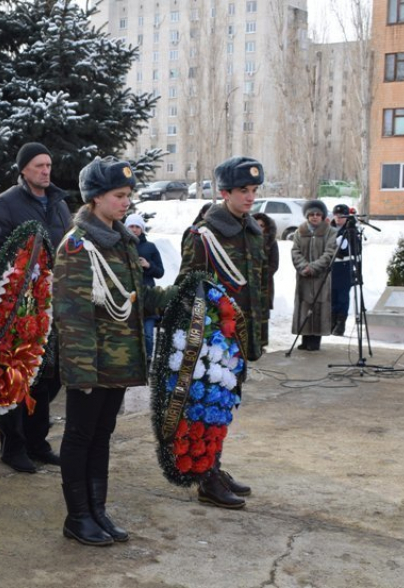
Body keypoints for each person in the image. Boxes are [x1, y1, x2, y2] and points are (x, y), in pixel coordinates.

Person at [54, 156, 173, 546]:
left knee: (102, 436)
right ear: (95, 199)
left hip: (119, 361)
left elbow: (135, 298)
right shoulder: (77, 246)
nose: (126, 203)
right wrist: (81, 374)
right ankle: (78, 517)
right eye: (119, 196)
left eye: (128, 196)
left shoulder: (121, 241)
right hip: (93, 364)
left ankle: (97, 509)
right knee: (80, 436)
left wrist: (179, 294)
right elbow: (73, 317)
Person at [177, 156, 268, 509]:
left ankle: (213, 465)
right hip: (216, 340)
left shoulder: (251, 230)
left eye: (254, 190)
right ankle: (206, 477)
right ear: (224, 192)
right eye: (243, 191)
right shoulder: (204, 235)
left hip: (240, 337)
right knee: (206, 406)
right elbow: (187, 288)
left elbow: (258, 288)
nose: (250, 197)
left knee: (226, 405)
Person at [0, 142, 71, 473]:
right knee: (17, 376)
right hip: (20, 307)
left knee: (47, 377)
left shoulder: (59, 204)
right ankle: (13, 446)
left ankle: (37, 441)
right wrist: (19, 271)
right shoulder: (5, 205)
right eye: (39, 165)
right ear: (23, 170)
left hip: (52, 306)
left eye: (48, 165)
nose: (46, 170)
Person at [291, 200, 337, 351]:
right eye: (311, 214)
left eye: (318, 214)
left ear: (323, 216)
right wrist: (303, 267)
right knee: (304, 306)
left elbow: (330, 253)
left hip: (320, 277)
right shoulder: (300, 231)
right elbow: (295, 251)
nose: (315, 217)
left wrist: (314, 267)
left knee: (319, 305)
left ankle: (315, 340)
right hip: (304, 276)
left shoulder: (329, 231)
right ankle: (305, 338)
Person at [123, 214, 164, 362]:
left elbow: (160, 272)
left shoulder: (150, 247)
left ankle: (148, 359)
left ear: (142, 229)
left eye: (137, 227)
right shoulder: (120, 246)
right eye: (131, 226)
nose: (134, 230)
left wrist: (148, 265)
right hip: (127, 297)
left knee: (148, 333)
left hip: (147, 297)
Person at [252, 212, 279, 347]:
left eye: (262, 225)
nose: (259, 227)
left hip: (265, 283)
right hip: (248, 283)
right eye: (256, 224)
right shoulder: (247, 241)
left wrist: (262, 274)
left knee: (263, 313)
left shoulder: (271, 243)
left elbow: (274, 264)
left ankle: (261, 343)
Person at [330, 204, 355, 337]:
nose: (339, 219)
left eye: (342, 216)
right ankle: (332, 321)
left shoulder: (351, 229)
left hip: (345, 268)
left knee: (342, 297)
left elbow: (356, 249)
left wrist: (345, 247)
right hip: (332, 267)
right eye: (337, 216)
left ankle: (340, 324)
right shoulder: (330, 228)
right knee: (332, 296)